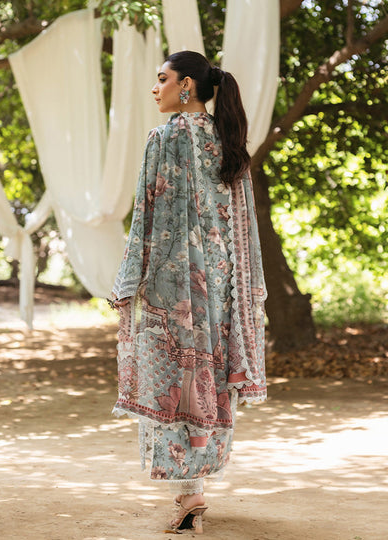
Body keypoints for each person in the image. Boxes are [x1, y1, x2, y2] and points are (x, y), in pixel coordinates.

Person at [109, 50, 267, 534]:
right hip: (220, 287)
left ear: (186, 86)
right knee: (208, 378)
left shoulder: (164, 137)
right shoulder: (228, 141)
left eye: (162, 79)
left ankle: (190, 491)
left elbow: (146, 216)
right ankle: (194, 488)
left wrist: (128, 279)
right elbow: (243, 223)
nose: (154, 88)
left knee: (175, 382)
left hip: (174, 286)